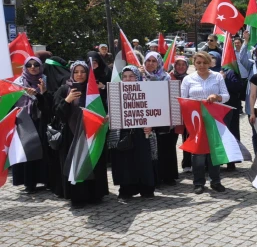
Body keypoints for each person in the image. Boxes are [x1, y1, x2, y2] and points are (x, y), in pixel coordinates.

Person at [53, 61, 110, 206]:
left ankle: (95, 194)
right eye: (76, 72)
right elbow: (57, 114)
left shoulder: (93, 89)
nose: (80, 75)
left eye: (83, 71)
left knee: (93, 163)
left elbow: (104, 106)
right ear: (72, 73)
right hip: (72, 135)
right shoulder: (64, 89)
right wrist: (67, 100)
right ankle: (78, 197)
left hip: (93, 133)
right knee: (76, 163)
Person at [180, 51, 230, 194]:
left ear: (210, 63)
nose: (202, 65)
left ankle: (216, 181)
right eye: (198, 63)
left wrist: (217, 96)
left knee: (214, 150)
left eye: (205, 62)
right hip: (196, 121)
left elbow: (226, 96)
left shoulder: (217, 77)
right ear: (194, 64)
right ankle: (198, 183)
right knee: (198, 153)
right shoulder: (188, 79)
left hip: (214, 118)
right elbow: (183, 100)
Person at [110, 66, 156, 200]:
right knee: (125, 162)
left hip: (142, 133)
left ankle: (146, 189)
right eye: (125, 76)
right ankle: (126, 190)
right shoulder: (115, 92)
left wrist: (151, 126)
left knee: (143, 161)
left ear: (137, 77)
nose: (128, 79)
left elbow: (154, 111)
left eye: (131, 76)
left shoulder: (147, 91)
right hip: (123, 133)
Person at [11, 56, 52, 193]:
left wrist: (42, 93)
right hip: (24, 120)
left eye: (36, 64)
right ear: (25, 67)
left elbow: (50, 101)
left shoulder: (45, 80)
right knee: (28, 149)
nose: (33, 67)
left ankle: (45, 179)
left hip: (42, 119)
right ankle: (29, 182)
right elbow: (11, 102)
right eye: (29, 65)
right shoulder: (18, 82)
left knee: (43, 149)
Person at [139, 51, 178, 186]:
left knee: (165, 147)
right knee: (149, 148)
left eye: (153, 61)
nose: (150, 64)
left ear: (159, 63)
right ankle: (153, 177)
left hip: (163, 117)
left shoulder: (166, 77)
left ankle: (168, 176)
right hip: (145, 117)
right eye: (148, 61)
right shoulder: (140, 76)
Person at [170, 56, 192, 173]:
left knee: (187, 139)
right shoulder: (168, 77)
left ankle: (187, 164)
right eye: (178, 64)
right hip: (172, 113)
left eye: (183, 64)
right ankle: (171, 168)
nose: (180, 67)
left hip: (186, 113)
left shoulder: (190, 78)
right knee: (171, 141)